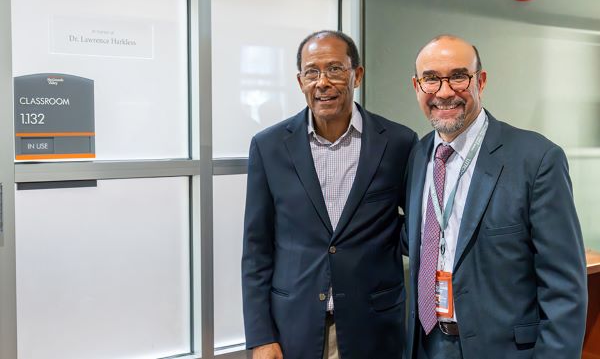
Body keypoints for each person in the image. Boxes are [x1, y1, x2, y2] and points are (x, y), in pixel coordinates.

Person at [405, 34, 588, 359]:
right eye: (431, 79)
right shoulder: (418, 156)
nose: (445, 92)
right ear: (417, 86)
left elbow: (564, 289)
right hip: (427, 345)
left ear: (481, 81)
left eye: (459, 76)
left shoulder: (536, 159)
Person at [242, 30, 417, 359]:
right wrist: (260, 336)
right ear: (300, 81)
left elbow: (417, 227)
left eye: (335, 69)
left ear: (357, 75)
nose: (323, 82)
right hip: (294, 326)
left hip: (374, 327)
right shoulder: (269, 147)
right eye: (312, 72)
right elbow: (256, 250)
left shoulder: (398, 143)